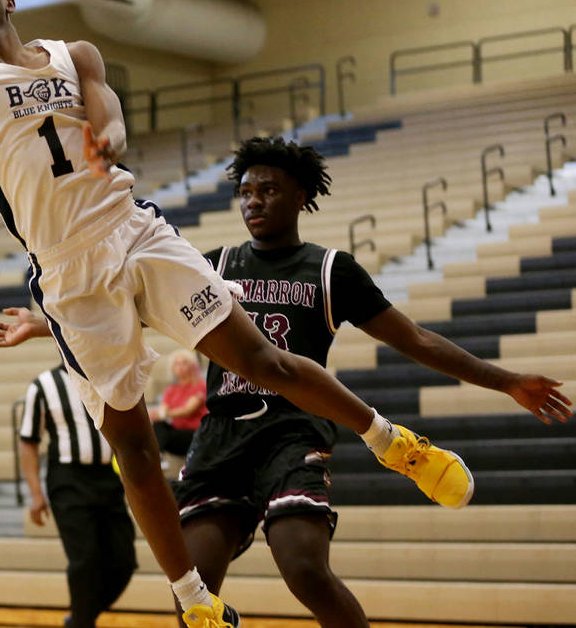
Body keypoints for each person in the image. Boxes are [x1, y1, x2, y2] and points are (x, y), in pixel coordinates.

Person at [0, 0, 474, 628]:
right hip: (68, 272)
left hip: (133, 227)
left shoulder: (71, 49)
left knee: (265, 362)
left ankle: (391, 441)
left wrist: (112, 133)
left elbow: (104, 99)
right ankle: (196, 602)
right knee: (135, 446)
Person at [171, 136, 572, 628]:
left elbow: (417, 340)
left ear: (300, 196)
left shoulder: (330, 269)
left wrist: (507, 381)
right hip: (220, 437)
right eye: (247, 191)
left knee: (305, 571)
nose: (253, 201)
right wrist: (50, 321)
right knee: (194, 597)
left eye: (269, 190)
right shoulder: (210, 265)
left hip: (293, 431)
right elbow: (136, 309)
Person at [18, 361, 137, 628]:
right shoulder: (42, 385)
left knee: (124, 560)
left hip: (108, 478)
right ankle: (83, 621)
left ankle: (81, 619)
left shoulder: (106, 377)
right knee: (85, 560)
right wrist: (36, 495)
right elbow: (28, 443)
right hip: (68, 480)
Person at [151, 350, 208, 458]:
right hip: (176, 432)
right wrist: (157, 414)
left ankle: (157, 456)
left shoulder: (200, 386)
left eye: (184, 363)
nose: (180, 366)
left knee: (163, 434)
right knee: (158, 425)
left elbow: (188, 410)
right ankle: (157, 456)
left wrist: (162, 414)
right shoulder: (171, 389)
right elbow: (163, 409)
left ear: (192, 366)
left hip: (194, 433)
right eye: (177, 364)